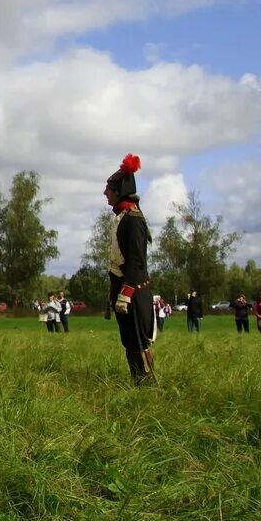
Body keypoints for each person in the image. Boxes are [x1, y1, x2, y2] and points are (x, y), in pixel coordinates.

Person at [104, 154, 154, 383]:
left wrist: (126, 293)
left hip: (132, 290)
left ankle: (145, 382)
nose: (105, 193)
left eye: (109, 189)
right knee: (129, 340)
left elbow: (136, 261)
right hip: (123, 287)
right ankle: (137, 381)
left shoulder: (133, 219)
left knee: (138, 340)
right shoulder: (123, 216)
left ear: (118, 192)